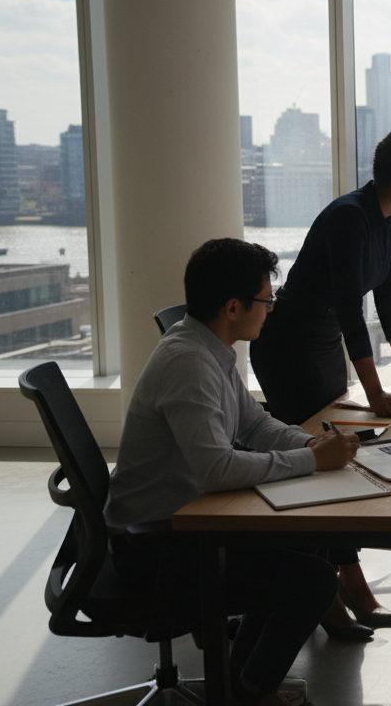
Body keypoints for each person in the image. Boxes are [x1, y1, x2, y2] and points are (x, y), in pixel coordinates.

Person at [105, 238, 363, 706]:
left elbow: (255, 423)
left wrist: (311, 444)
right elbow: (218, 469)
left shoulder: (209, 348)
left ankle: (240, 681)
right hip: (157, 546)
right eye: (266, 300)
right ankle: (248, 693)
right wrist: (312, 461)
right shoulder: (189, 363)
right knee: (314, 580)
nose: (270, 309)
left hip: (185, 521)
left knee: (308, 538)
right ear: (231, 307)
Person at [250, 128, 391, 636]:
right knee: (323, 458)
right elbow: (349, 309)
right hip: (289, 345)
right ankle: (337, 591)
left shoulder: (386, 220)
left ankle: (334, 582)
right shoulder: (349, 217)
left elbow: (385, 296)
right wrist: (377, 392)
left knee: (337, 450)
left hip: (320, 343)